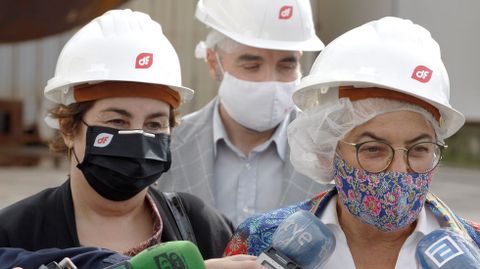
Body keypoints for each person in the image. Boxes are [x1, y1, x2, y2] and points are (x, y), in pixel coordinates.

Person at [0, 9, 264, 269]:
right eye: (117, 121)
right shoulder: (15, 232)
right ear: (69, 128)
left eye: (155, 124)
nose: (139, 137)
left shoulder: (199, 225)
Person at [224, 17, 480, 268]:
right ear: (327, 150)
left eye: (419, 149)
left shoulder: (474, 249)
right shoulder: (261, 240)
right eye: (374, 149)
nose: (400, 170)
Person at [157, 0, 328, 225]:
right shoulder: (169, 147)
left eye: (286, 65)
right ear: (213, 62)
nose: (270, 81)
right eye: (252, 66)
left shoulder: (328, 151)